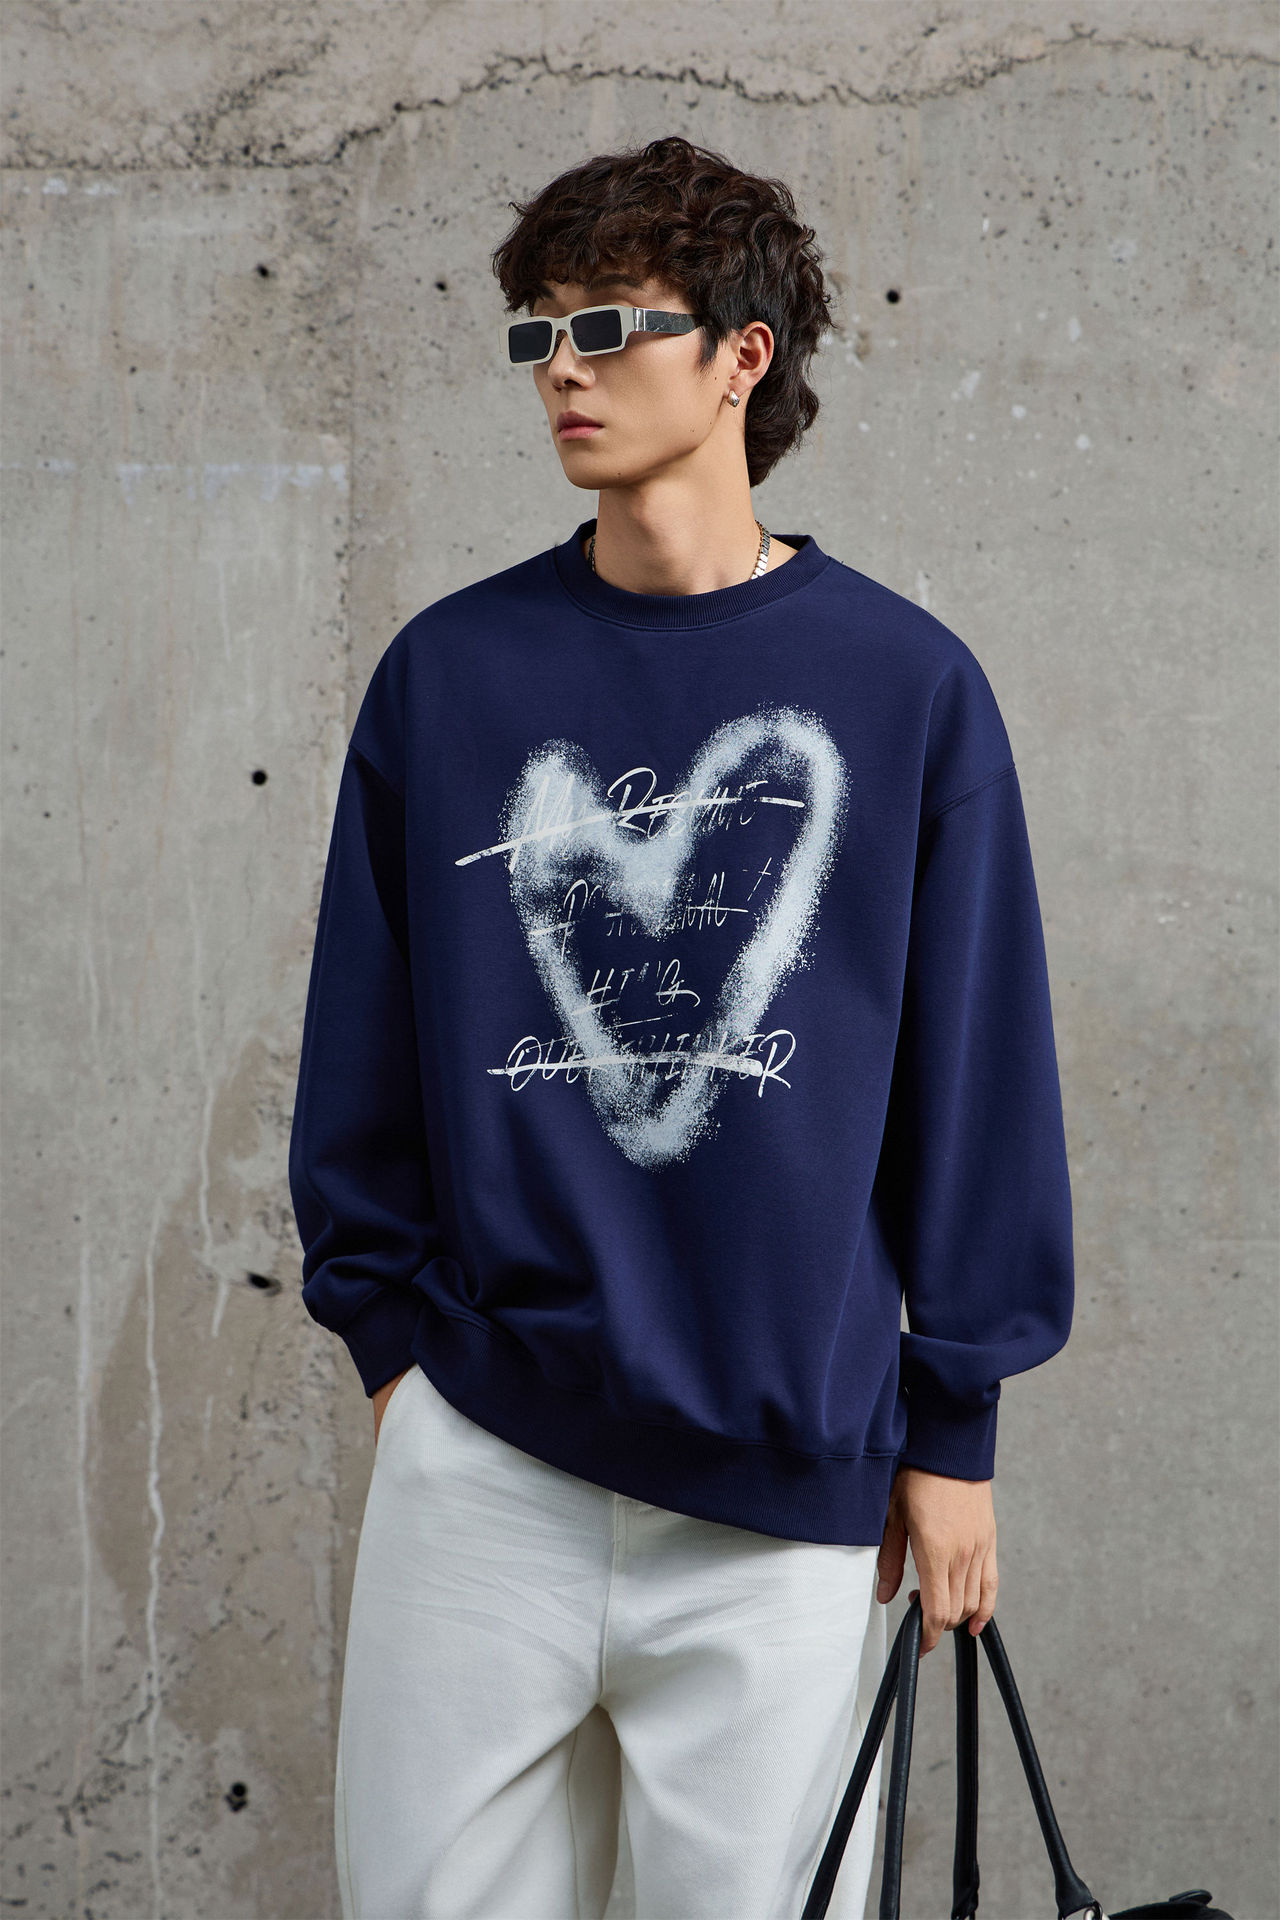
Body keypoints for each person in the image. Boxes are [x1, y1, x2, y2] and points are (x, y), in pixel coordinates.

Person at [288, 134, 1075, 1920]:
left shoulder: (906, 687)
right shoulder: (451, 676)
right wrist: (400, 1357)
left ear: (742, 355)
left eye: (611, 325)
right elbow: (362, 1051)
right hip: (486, 1461)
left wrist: (954, 1430)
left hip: (783, 1487)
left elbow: (977, 1081)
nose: (561, 370)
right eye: (537, 333)